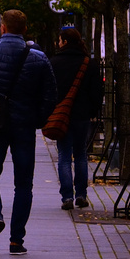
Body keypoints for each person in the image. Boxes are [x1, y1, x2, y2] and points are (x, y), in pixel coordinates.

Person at [0, 9, 57, 255]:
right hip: (24, 126)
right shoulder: (38, 59)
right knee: (24, 183)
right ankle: (17, 240)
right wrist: (38, 118)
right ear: (25, 30)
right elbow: (50, 95)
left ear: (3, 28)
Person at [48, 25, 103, 210]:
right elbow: (97, 92)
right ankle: (81, 194)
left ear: (64, 42)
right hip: (82, 115)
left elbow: (49, 90)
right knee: (80, 154)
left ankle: (66, 197)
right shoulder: (89, 63)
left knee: (64, 155)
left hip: (61, 115)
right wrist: (93, 112)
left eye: (60, 39)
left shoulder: (54, 63)